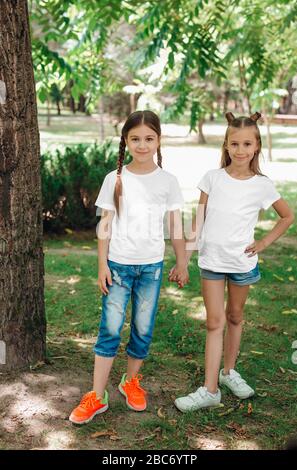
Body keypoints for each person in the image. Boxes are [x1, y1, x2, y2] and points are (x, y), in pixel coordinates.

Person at [69, 110, 189, 424]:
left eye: (149, 138)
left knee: (143, 329)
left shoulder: (168, 181)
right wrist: (101, 266)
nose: (142, 144)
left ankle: (130, 381)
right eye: (135, 138)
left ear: (159, 140)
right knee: (109, 331)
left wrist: (183, 260)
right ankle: (97, 395)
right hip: (118, 267)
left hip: (151, 268)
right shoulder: (115, 179)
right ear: (126, 141)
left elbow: (175, 225)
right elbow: (105, 225)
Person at [171, 112, 294, 412]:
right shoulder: (211, 179)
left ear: (256, 147)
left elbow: (287, 216)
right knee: (215, 322)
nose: (240, 150)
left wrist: (263, 243)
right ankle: (210, 389)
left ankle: (228, 373)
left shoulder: (262, 184)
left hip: (242, 264)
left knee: (235, 317)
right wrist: (184, 259)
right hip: (212, 262)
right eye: (234, 143)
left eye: (247, 144)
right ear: (226, 145)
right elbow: (197, 223)